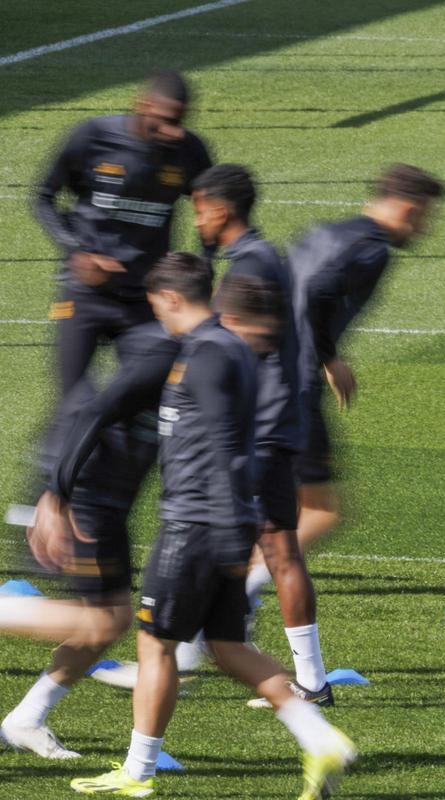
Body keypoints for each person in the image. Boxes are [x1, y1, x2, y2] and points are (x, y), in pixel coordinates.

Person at [67, 255, 354, 800]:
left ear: (172, 299)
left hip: (194, 525)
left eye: (158, 305)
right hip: (219, 522)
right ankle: (319, 738)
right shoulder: (223, 351)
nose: (159, 317)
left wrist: (225, 526)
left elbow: (226, 447)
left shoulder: (208, 353)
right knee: (228, 647)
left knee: (155, 646)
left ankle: (137, 771)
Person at [0, 321, 178, 759]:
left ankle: (25, 720)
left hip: (111, 499)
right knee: (100, 622)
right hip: (84, 494)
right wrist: (58, 495)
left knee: (112, 621)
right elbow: (91, 412)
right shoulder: (168, 350)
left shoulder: (204, 349)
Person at [192, 163, 332, 706]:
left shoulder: (247, 268)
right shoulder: (264, 257)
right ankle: (310, 680)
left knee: (269, 550)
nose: (197, 219)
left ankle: (183, 650)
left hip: (262, 429)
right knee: (277, 551)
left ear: (221, 209)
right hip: (279, 424)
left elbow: (232, 348)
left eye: (200, 209)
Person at [290, 164, 445, 559]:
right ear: (409, 210)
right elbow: (315, 292)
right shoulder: (373, 250)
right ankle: (245, 589)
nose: (424, 229)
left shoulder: (321, 232)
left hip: (252, 373)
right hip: (293, 386)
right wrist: (329, 357)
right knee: (323, 510)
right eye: (425, 217)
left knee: (281, 503)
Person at [32, 70, 212, 398]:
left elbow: (214, 210)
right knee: (72, 402)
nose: (173, 131)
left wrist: (200, 269)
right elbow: (43, 197)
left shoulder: (189, 152)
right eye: (165, 120)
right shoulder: (92, 137)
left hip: (148, 302)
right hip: (86, 294)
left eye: (181, 120)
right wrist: (77, 252)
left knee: (144, 406)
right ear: (142, 105)